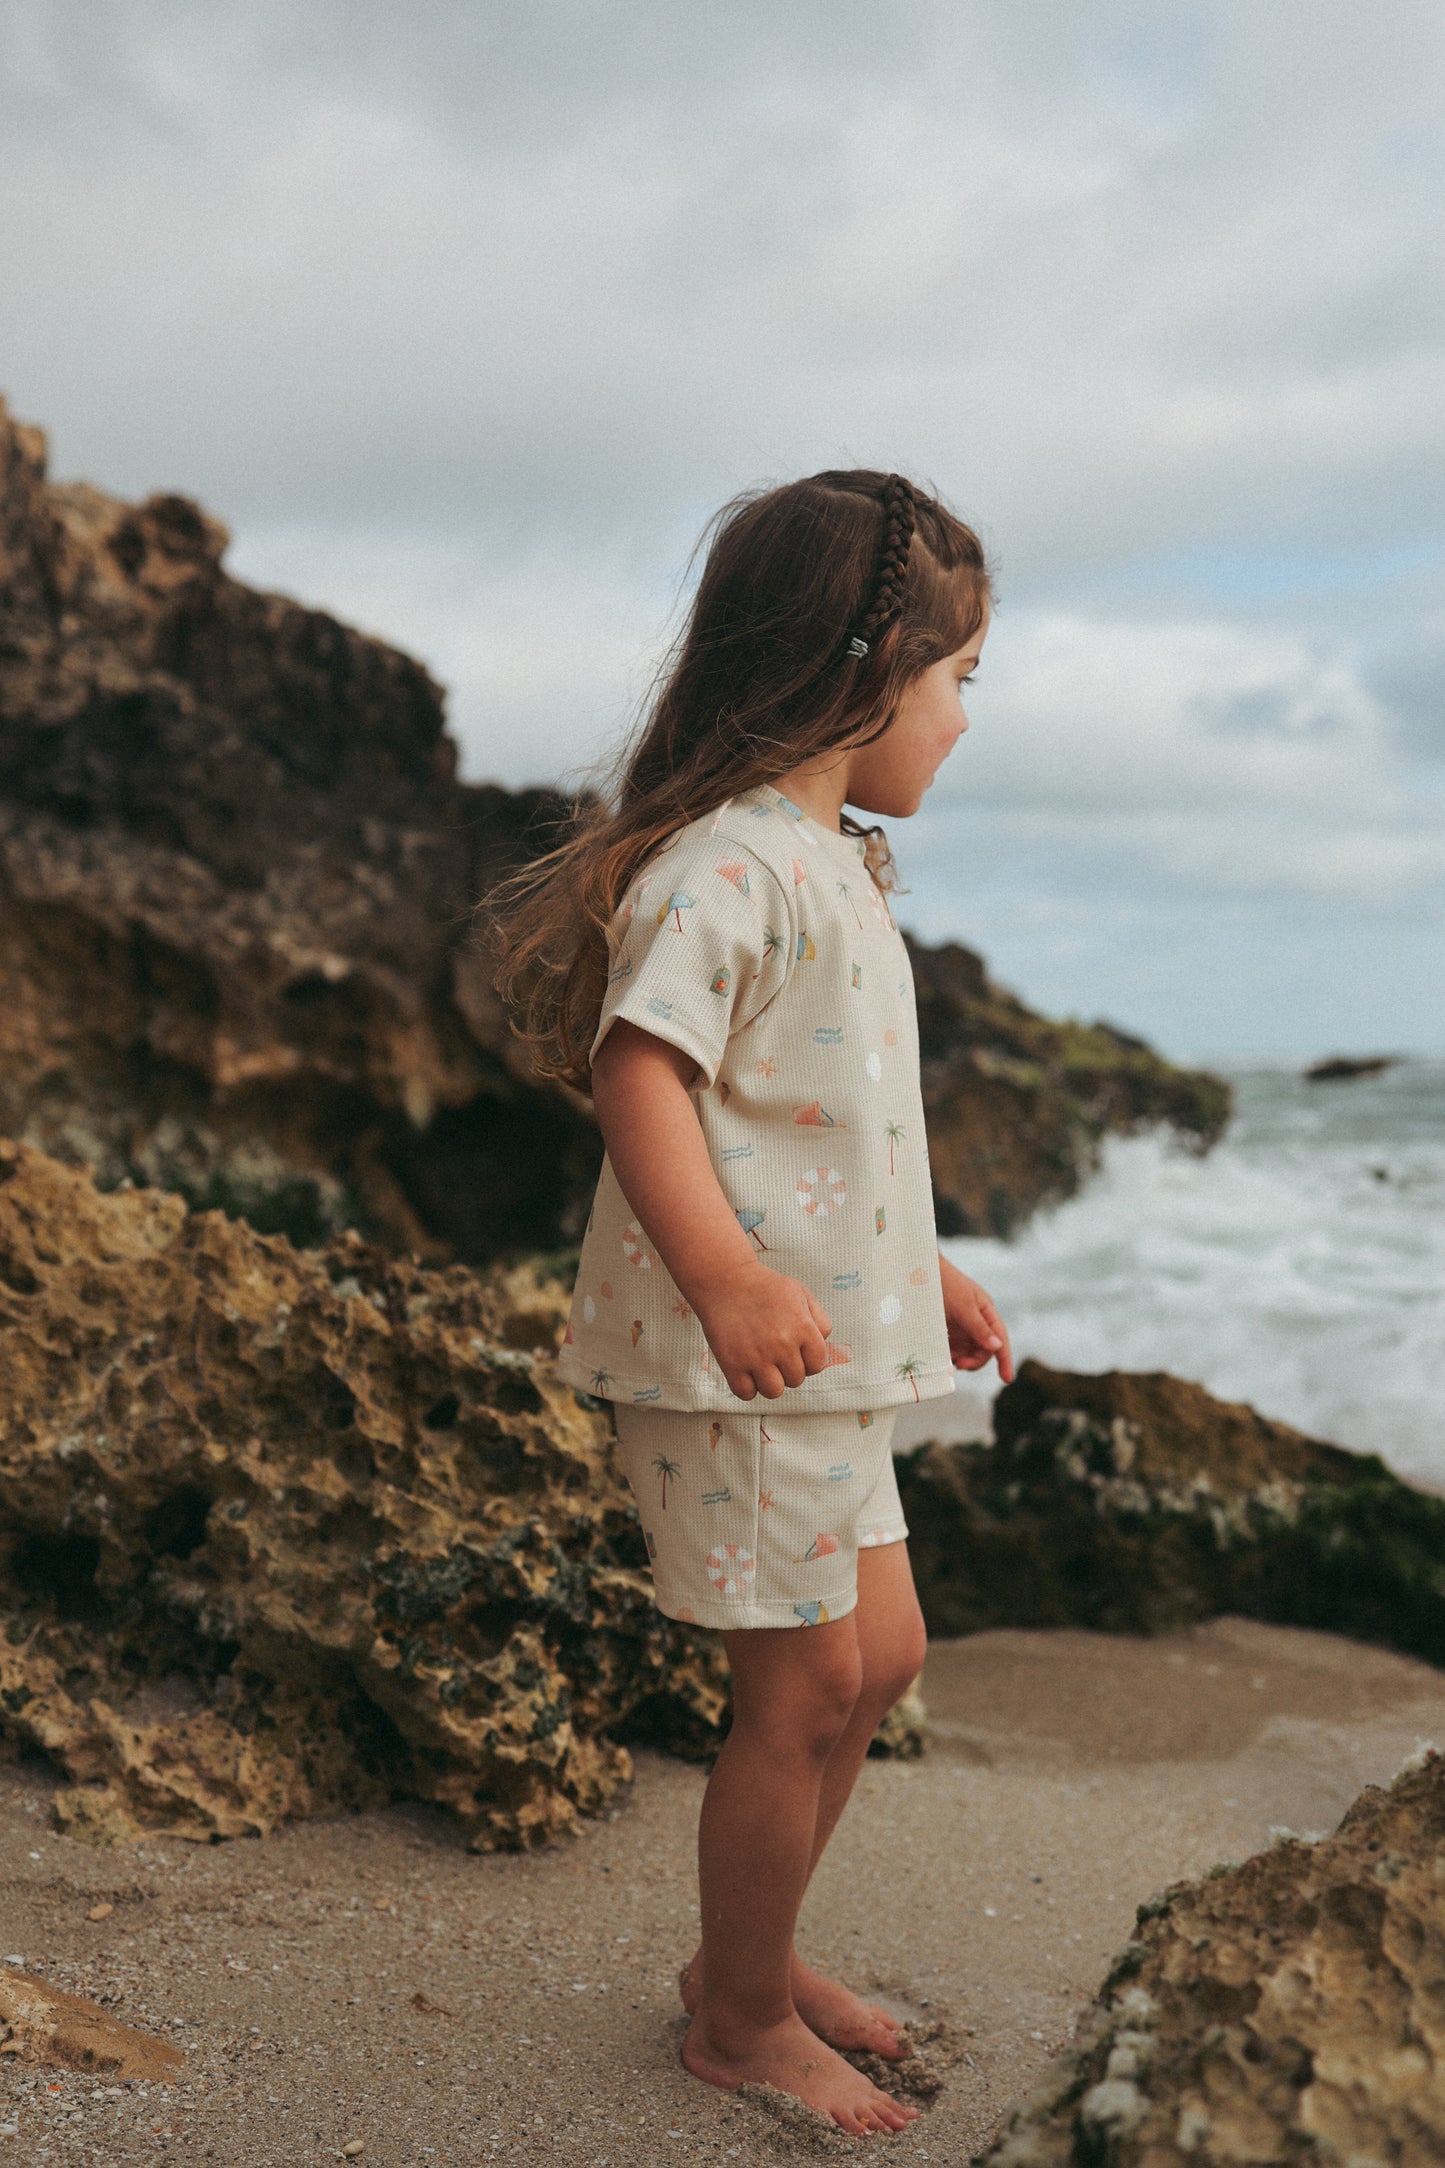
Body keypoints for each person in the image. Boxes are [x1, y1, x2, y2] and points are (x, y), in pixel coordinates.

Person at [489, 470, 1013, 2137]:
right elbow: (642, 1071)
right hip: (740, 1369)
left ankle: (757, 1959)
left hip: (831, 1358)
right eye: (955, 682)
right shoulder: (728, 867)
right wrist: (720, 1274)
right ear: (861, 671)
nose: (958, 722)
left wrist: (915, 1263)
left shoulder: (831, 865)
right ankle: (731, 2017)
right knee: (800, 1688)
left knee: (882, 1659)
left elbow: (815, 1125)